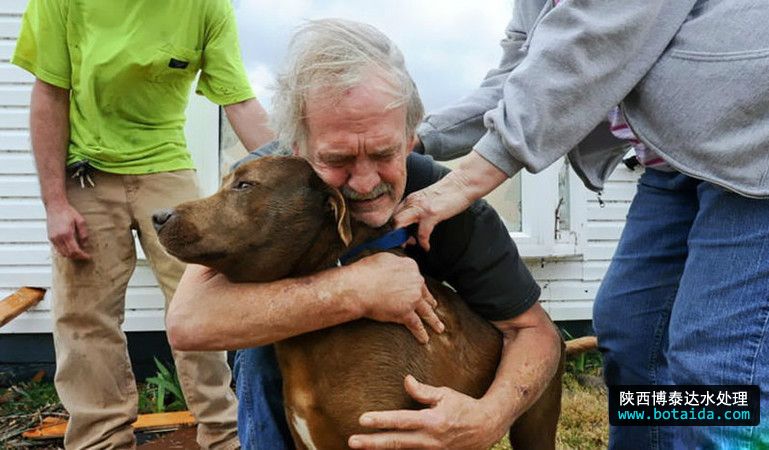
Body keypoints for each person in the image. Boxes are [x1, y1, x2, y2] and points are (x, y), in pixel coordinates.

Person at [393, 0, 769, 448]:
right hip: (676, 164)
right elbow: (523, 76)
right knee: (633, 338)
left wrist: (471, 176)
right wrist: (411, 140)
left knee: (720, 374)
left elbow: (598, 33)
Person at [166, 19, 563, 450]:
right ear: (297, 147)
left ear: (410, 139)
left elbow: (534, 331)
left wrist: (488, 418)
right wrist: (354, 289)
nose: (363, 181)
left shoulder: (448, 201)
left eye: (383, 152)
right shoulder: (275, 179)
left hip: (416, 361)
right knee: (260, 350)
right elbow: (190, 322)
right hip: (307, 360)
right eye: (337, 158)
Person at [12, 1, 275, 448]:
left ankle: (225, 435)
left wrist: (296, 169)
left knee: (203, 298)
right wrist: (55, 203)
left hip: (166, 167)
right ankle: (101, 439)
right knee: (85, 317)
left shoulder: (206, 6)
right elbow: (49, 94)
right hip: (86, 171)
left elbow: (239, 102)